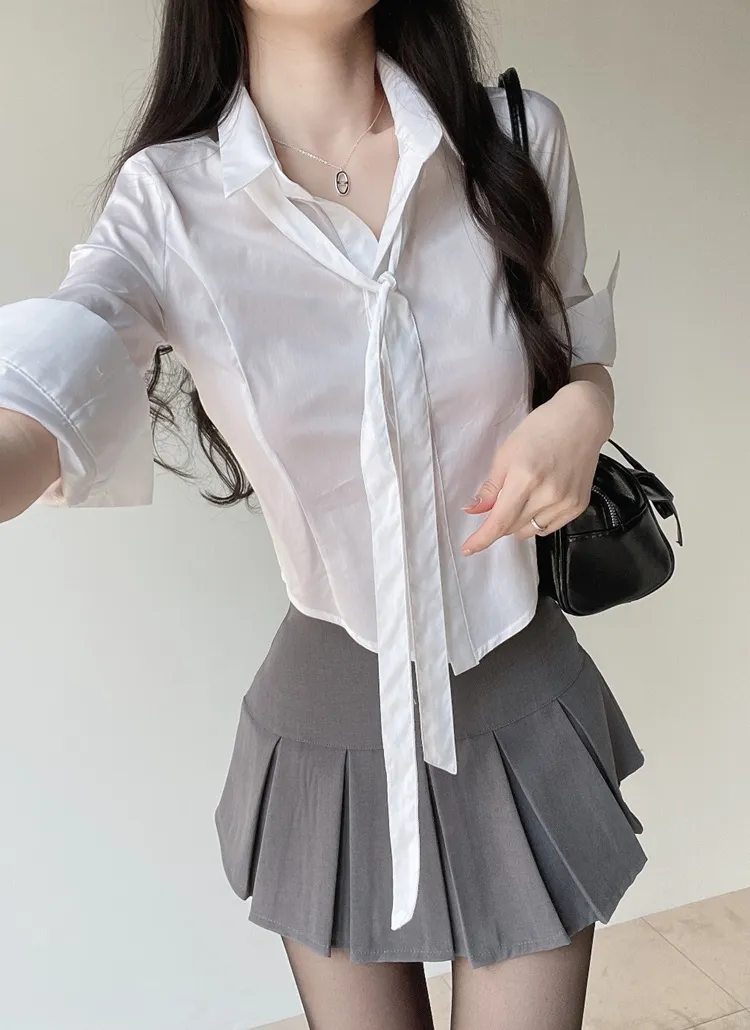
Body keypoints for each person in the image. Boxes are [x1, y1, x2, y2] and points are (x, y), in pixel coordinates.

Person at [0, 1, 647, 1027]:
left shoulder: (517, 137)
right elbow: (55, 375)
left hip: (518, 685)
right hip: (330, 717)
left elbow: (576, 347)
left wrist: (583, 410)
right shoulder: (169, 201)